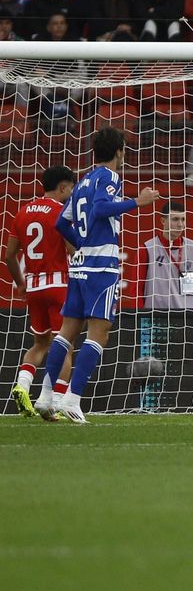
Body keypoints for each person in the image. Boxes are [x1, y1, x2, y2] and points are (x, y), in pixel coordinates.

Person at [38, 128, 160, 424]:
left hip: (80, 265)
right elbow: (102, 208)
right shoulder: (110, 177)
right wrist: (137, 202)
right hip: (101, 265)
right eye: (124, 149)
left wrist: (80, 243)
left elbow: (61, 222)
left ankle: (45, 396)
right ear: (119, 151)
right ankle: (73, 399)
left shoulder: (83, 181)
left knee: (66, 332)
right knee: (99, 332)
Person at [4, 166, 75, 420]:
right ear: (62, 187)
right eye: (71, 188)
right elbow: (72, 250)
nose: (71, 193)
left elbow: (9, 256)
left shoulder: (23, 212)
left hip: (34, 288)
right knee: (65, 347)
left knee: (40, 344)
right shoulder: (61, 212)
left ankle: (22, 386)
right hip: (58, 286)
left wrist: (21, 283)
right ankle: (54, 402)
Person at [125, 202, 193, 311]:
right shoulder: (147, 249)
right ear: (163, 221)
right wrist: (138, 316)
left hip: (191, 316)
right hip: (158, 316)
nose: (180, 224)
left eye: (183, 219)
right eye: (175, 219)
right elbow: (137, 289)